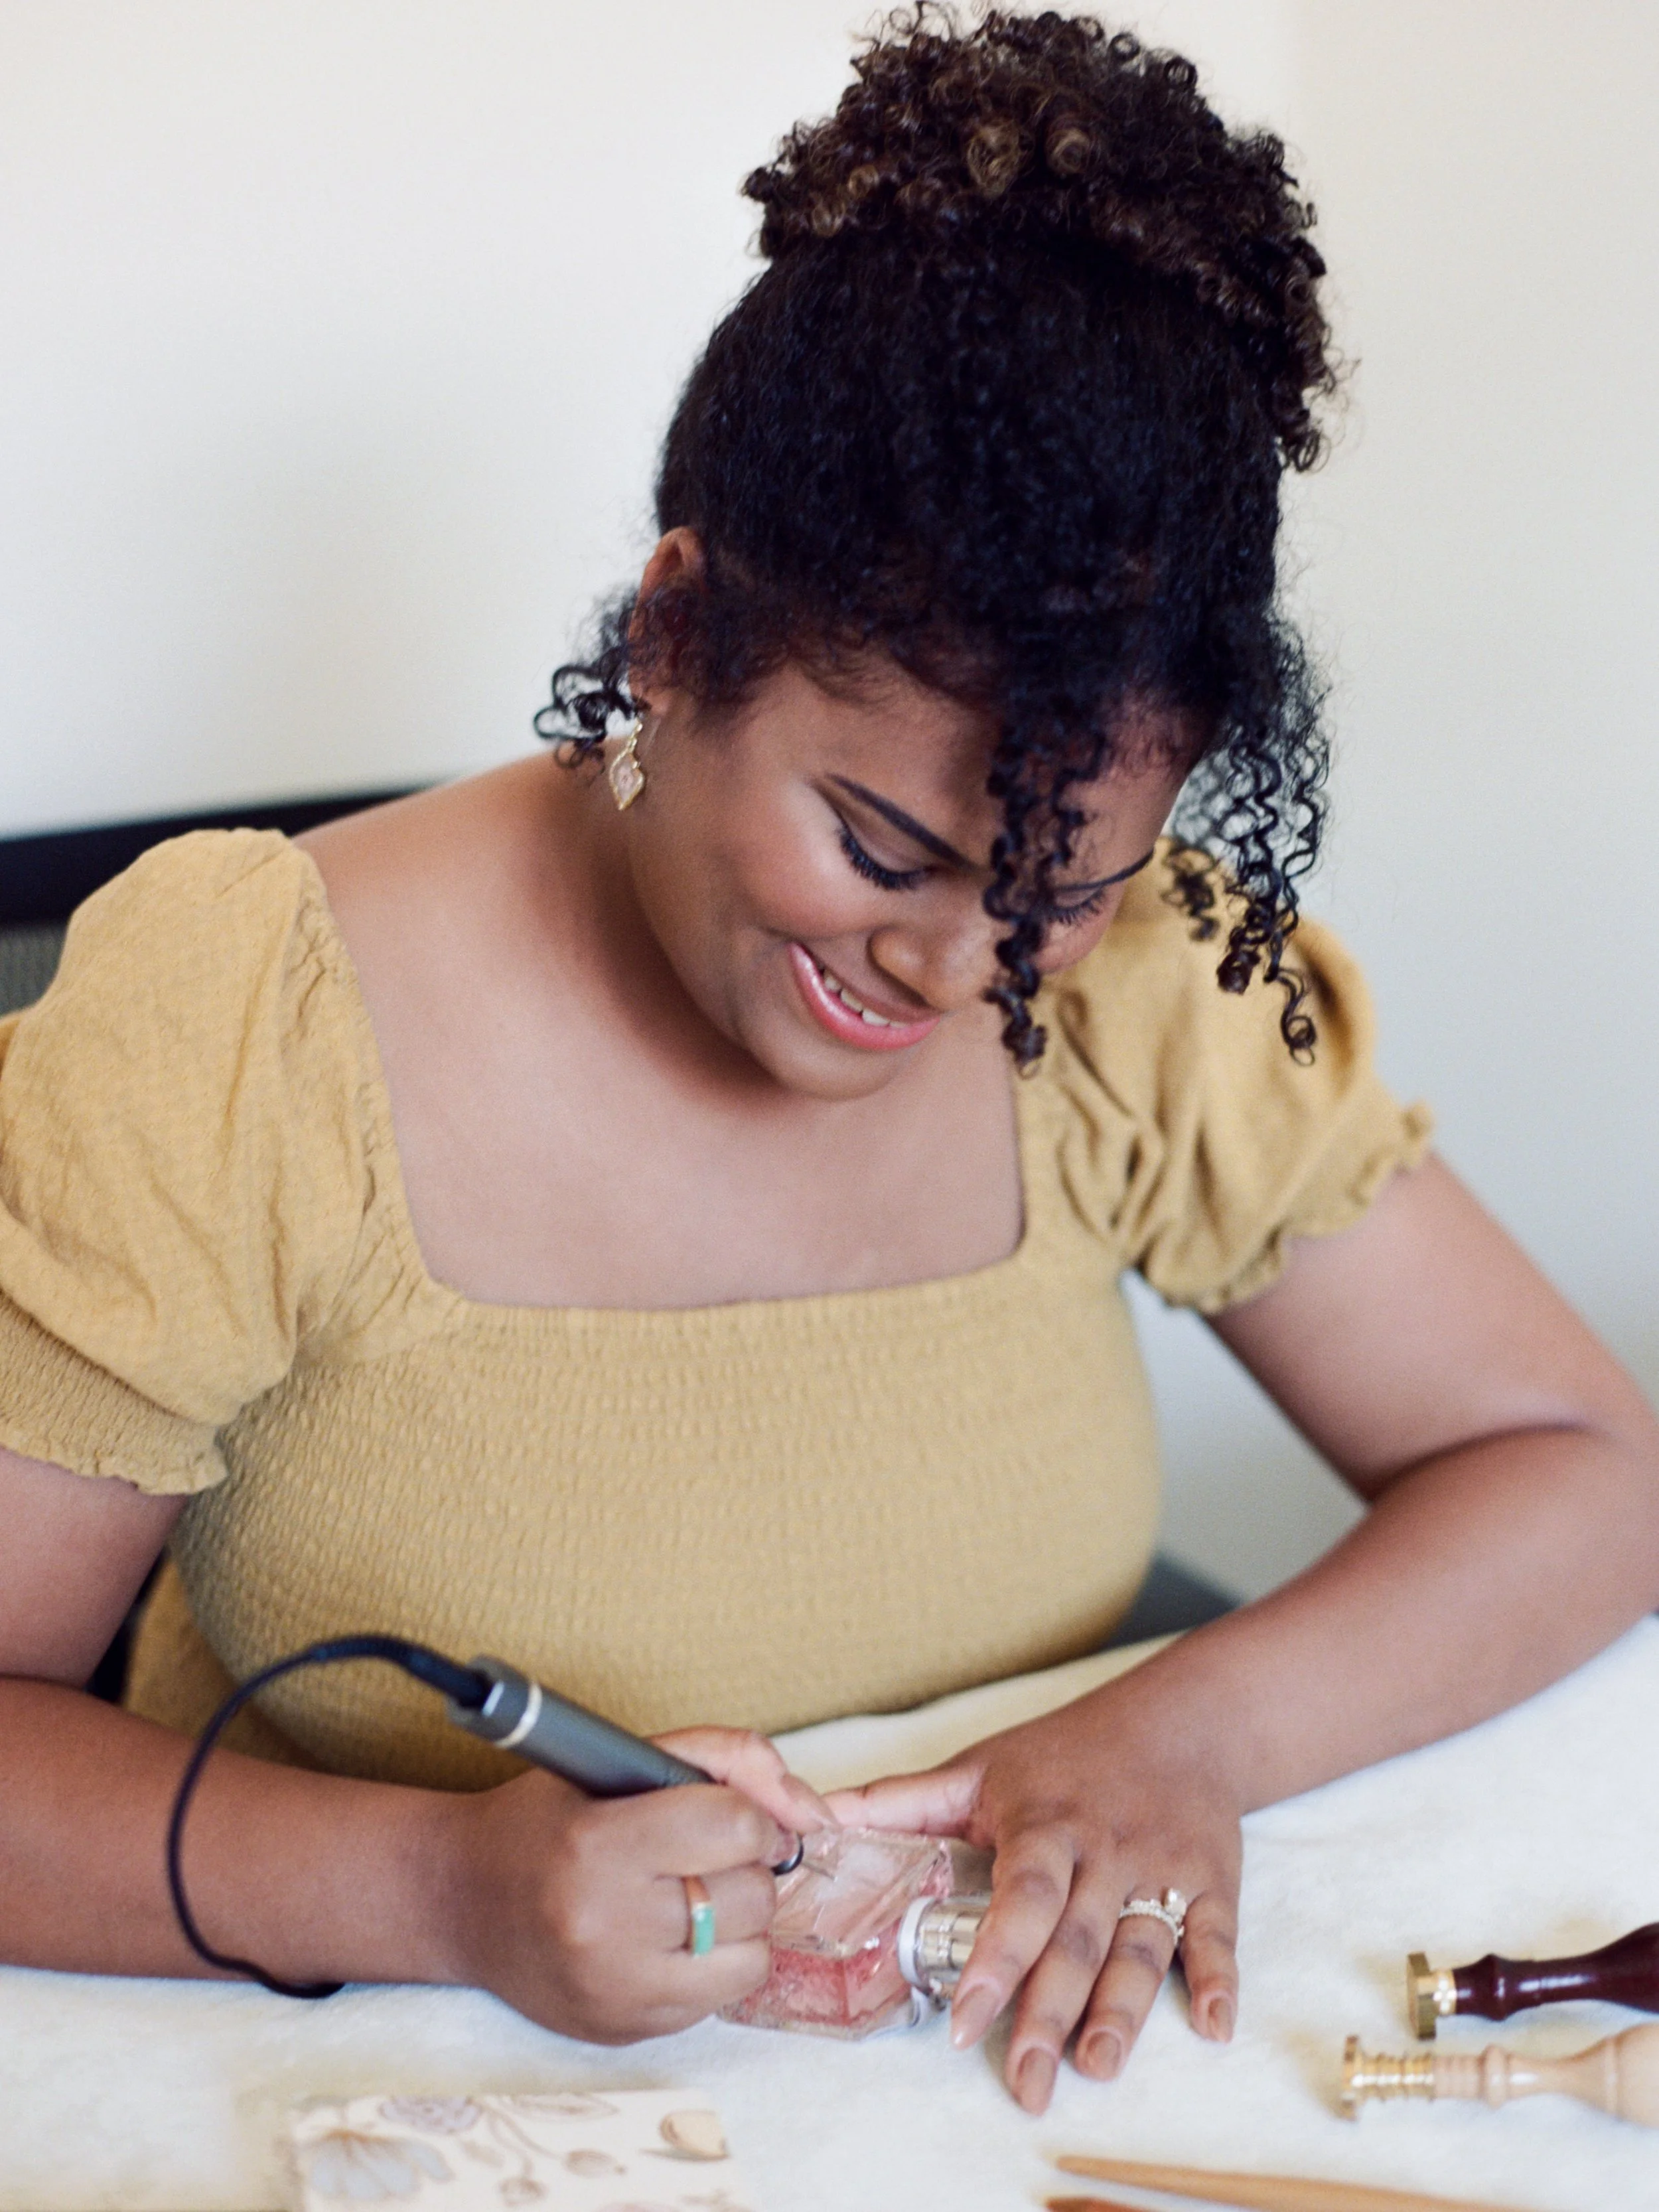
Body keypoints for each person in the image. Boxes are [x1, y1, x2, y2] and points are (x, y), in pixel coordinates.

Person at [1, 5, 1656, 2118]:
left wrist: (1187, 1730)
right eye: (878, 842)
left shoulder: (1135, 986)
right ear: (674, 634)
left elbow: (1576, 1464)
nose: (964, 964)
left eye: (1054, 879)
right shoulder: (251, 1013)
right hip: (396, 2090)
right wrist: (439, 1883)